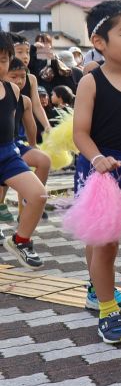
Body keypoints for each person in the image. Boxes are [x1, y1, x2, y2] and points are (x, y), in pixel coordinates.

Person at [73, 0, 121, 341]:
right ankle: (106, 309)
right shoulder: (92, 82)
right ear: (99, 42)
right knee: (104, 243)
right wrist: (97, 160)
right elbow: (80, 133)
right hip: (101, 171)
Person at [0, 36, 46, 269]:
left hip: (8, 155)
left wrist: (34, 141)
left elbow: (25, 121)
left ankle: (20, 240)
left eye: (3, 60)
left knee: (38, 195)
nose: (0, 66)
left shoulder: (12, 90)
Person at [8, 59, 51, 203]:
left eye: (22, 76)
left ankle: (29, 200)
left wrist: (33, 144)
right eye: (13, 77)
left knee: (44, 160)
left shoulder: (25, 100)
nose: (19, 81)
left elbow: (30, 126)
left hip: (14, 146)